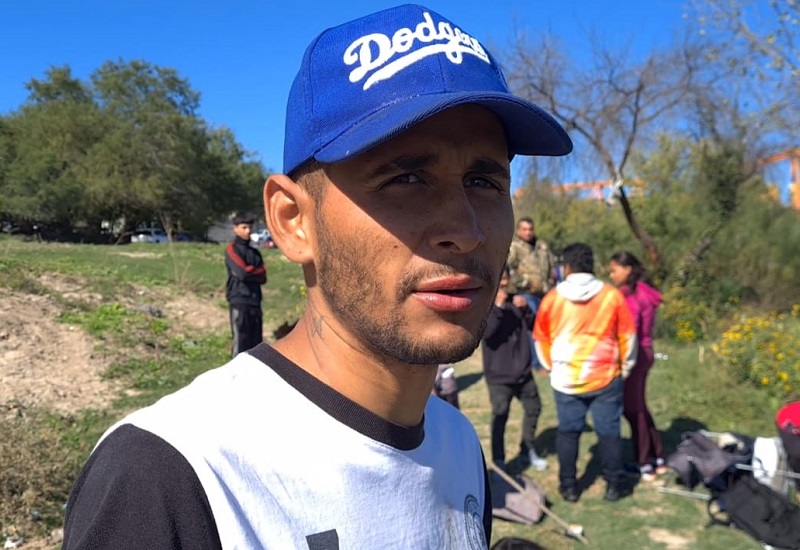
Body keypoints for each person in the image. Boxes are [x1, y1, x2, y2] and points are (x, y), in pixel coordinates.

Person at [61, 5, 572, 549]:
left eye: (484, 182)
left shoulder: (460, 447)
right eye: (406, 179)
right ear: (293, 221)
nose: (465, 232)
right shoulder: (173, 476)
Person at [533, 243, 637, 503]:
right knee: (609, 432)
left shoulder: (552, 299)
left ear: (566, 267)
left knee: (568, 433)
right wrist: (625, 366)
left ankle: (568, 487)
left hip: (566, 379)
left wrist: (551, 366)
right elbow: (628, 336)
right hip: (606, 376)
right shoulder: (612, 296)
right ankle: (614, 485)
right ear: (591, 265)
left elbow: (540, 339)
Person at [482, 266, 548, 473]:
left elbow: (533, 326)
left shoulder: (516, 301)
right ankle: (499, 462)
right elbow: (487, 333)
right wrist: (498, 307)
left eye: (506, 279)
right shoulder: (484, 304)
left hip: (523, 372)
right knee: (500, 415)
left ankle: (526, 450)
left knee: (534, 408)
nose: (503, 283)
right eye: (499, 279)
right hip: (499, 376)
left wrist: (527, 310)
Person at [608, 251, 666, 481]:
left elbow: (628, 330)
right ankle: (657, 456)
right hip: (646, 351)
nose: (611, 275)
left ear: (627, 269)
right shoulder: (646, 291)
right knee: (639, 406)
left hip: (635, 354)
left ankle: (644, 463)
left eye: (614, 270)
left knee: (632, 409)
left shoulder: (631, 295)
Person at [506, 217, 556, 369]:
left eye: (530, 229)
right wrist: (525, 282)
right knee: (534, 328)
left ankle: (551, 358)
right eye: (524, 229)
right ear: (518, 231)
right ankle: (538, 363)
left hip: (546, 293)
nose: (528, 232)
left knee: (549, 326)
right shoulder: (514, 248)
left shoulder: (541, 246)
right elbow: (507, 268)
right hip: (527, 294)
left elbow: (552, 265)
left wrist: (551, 281)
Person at [225, 211, 267, 358]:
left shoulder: (255, 253)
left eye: (250, 227)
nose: (248, 231)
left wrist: (251, 272)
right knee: (240, 342)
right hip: (239, 300)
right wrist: (253, 272)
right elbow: (242, 273)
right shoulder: (232, 249)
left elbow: (263, 276)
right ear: (235, 229)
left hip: (255, 301)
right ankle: (235, 371)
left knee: (256, 344)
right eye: (244, 227)